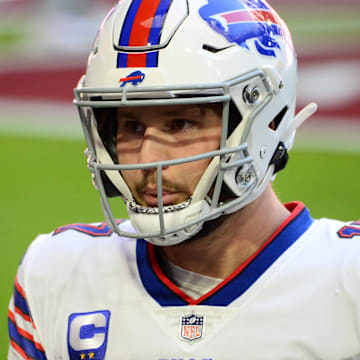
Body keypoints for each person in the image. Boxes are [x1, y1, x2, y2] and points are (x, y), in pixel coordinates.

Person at [7, 0, 360, 359]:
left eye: (181, 124)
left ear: (266, 121)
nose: (147, 160)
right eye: (131, 127)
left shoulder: (349, 279)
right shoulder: (57, 273)